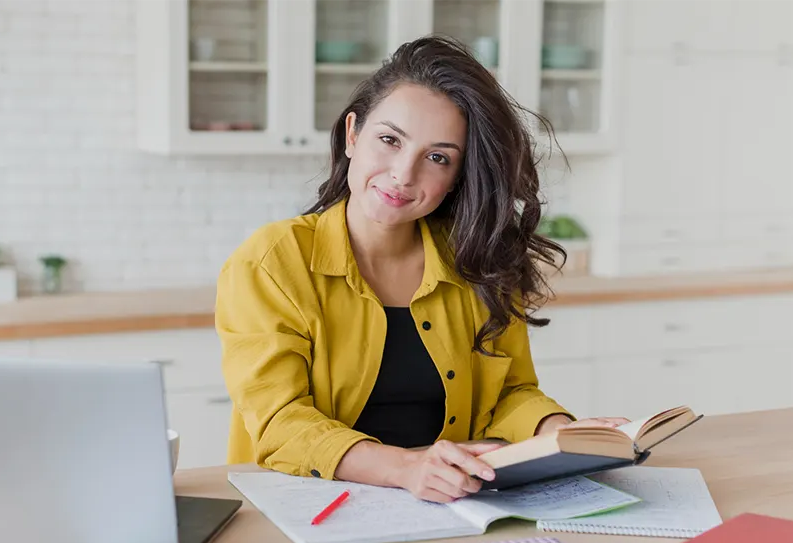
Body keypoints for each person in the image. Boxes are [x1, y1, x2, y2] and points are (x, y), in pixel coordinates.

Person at [215, 35, 628, 503]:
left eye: (437, 158)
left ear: (456, 177)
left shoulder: (478, 261)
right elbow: (281, 422)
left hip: (452, 503)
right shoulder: (272, 261)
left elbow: (509, 394)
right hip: (309, 506)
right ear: (353, 135)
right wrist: (407, 467)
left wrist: (563, 434)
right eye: (389, 140)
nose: (403, 174)